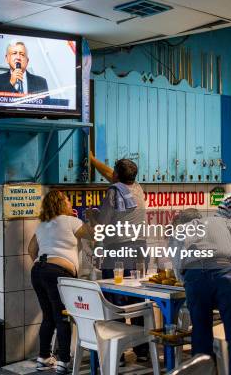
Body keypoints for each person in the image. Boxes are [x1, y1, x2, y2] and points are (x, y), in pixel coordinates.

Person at [169, 209, 231, 375]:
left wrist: (184, 280)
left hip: (196, 278)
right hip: (226, 273)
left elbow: (177, 263)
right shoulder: (220, 221)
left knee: (201, 331)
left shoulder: (179, 230)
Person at [87, 152, 150, 361]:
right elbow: (112, 175)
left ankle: (119, 352)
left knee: (115, 301)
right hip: (140, 250)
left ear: (116, 175)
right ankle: (142, 350)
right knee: (137, 300)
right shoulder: (138, 189)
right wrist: (95, 161)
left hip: (117, 252)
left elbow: (101, 226)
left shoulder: (113, 193)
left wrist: (91, 215)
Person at [27, 190, 92, 374]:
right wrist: (91, 219)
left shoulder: (42, 225)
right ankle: (64, 360)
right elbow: (92, 235)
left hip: (38, 270)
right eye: (67, 200)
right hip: (58, 273)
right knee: (63, 316)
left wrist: (44, 265)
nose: (70, 203)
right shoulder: (71, 221)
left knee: (48, 315)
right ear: (60, 204)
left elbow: (31, 249)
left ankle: (43, 357)